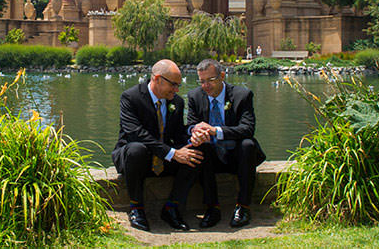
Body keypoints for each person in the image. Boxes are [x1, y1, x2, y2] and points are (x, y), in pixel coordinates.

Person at [112, 59, 203, 232]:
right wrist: (172, 153)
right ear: (158, 79)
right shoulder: (130, 98)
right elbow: (136, 134)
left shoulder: (176, 102)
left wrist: (194, 137)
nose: (177, 90)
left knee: (195, 153)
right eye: (174, 85)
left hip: (162, 157)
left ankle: (172, 208)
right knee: (136, 149)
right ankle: (136, 208)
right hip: (135, 159)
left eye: (178, 85)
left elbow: (177, 135)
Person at [187, 59, 266, 229]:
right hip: (211, 158)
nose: (206, 86)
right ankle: (212, 208)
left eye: (210, 80)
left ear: (222, 76)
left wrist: (216, 130)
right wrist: (195, 132)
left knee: (248, 144)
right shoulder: (194, 96)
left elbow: (247, 128)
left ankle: (243, 207)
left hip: (237, 156)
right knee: (202, 146)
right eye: (202, 81)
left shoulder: (242, 95)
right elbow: (191, 124)